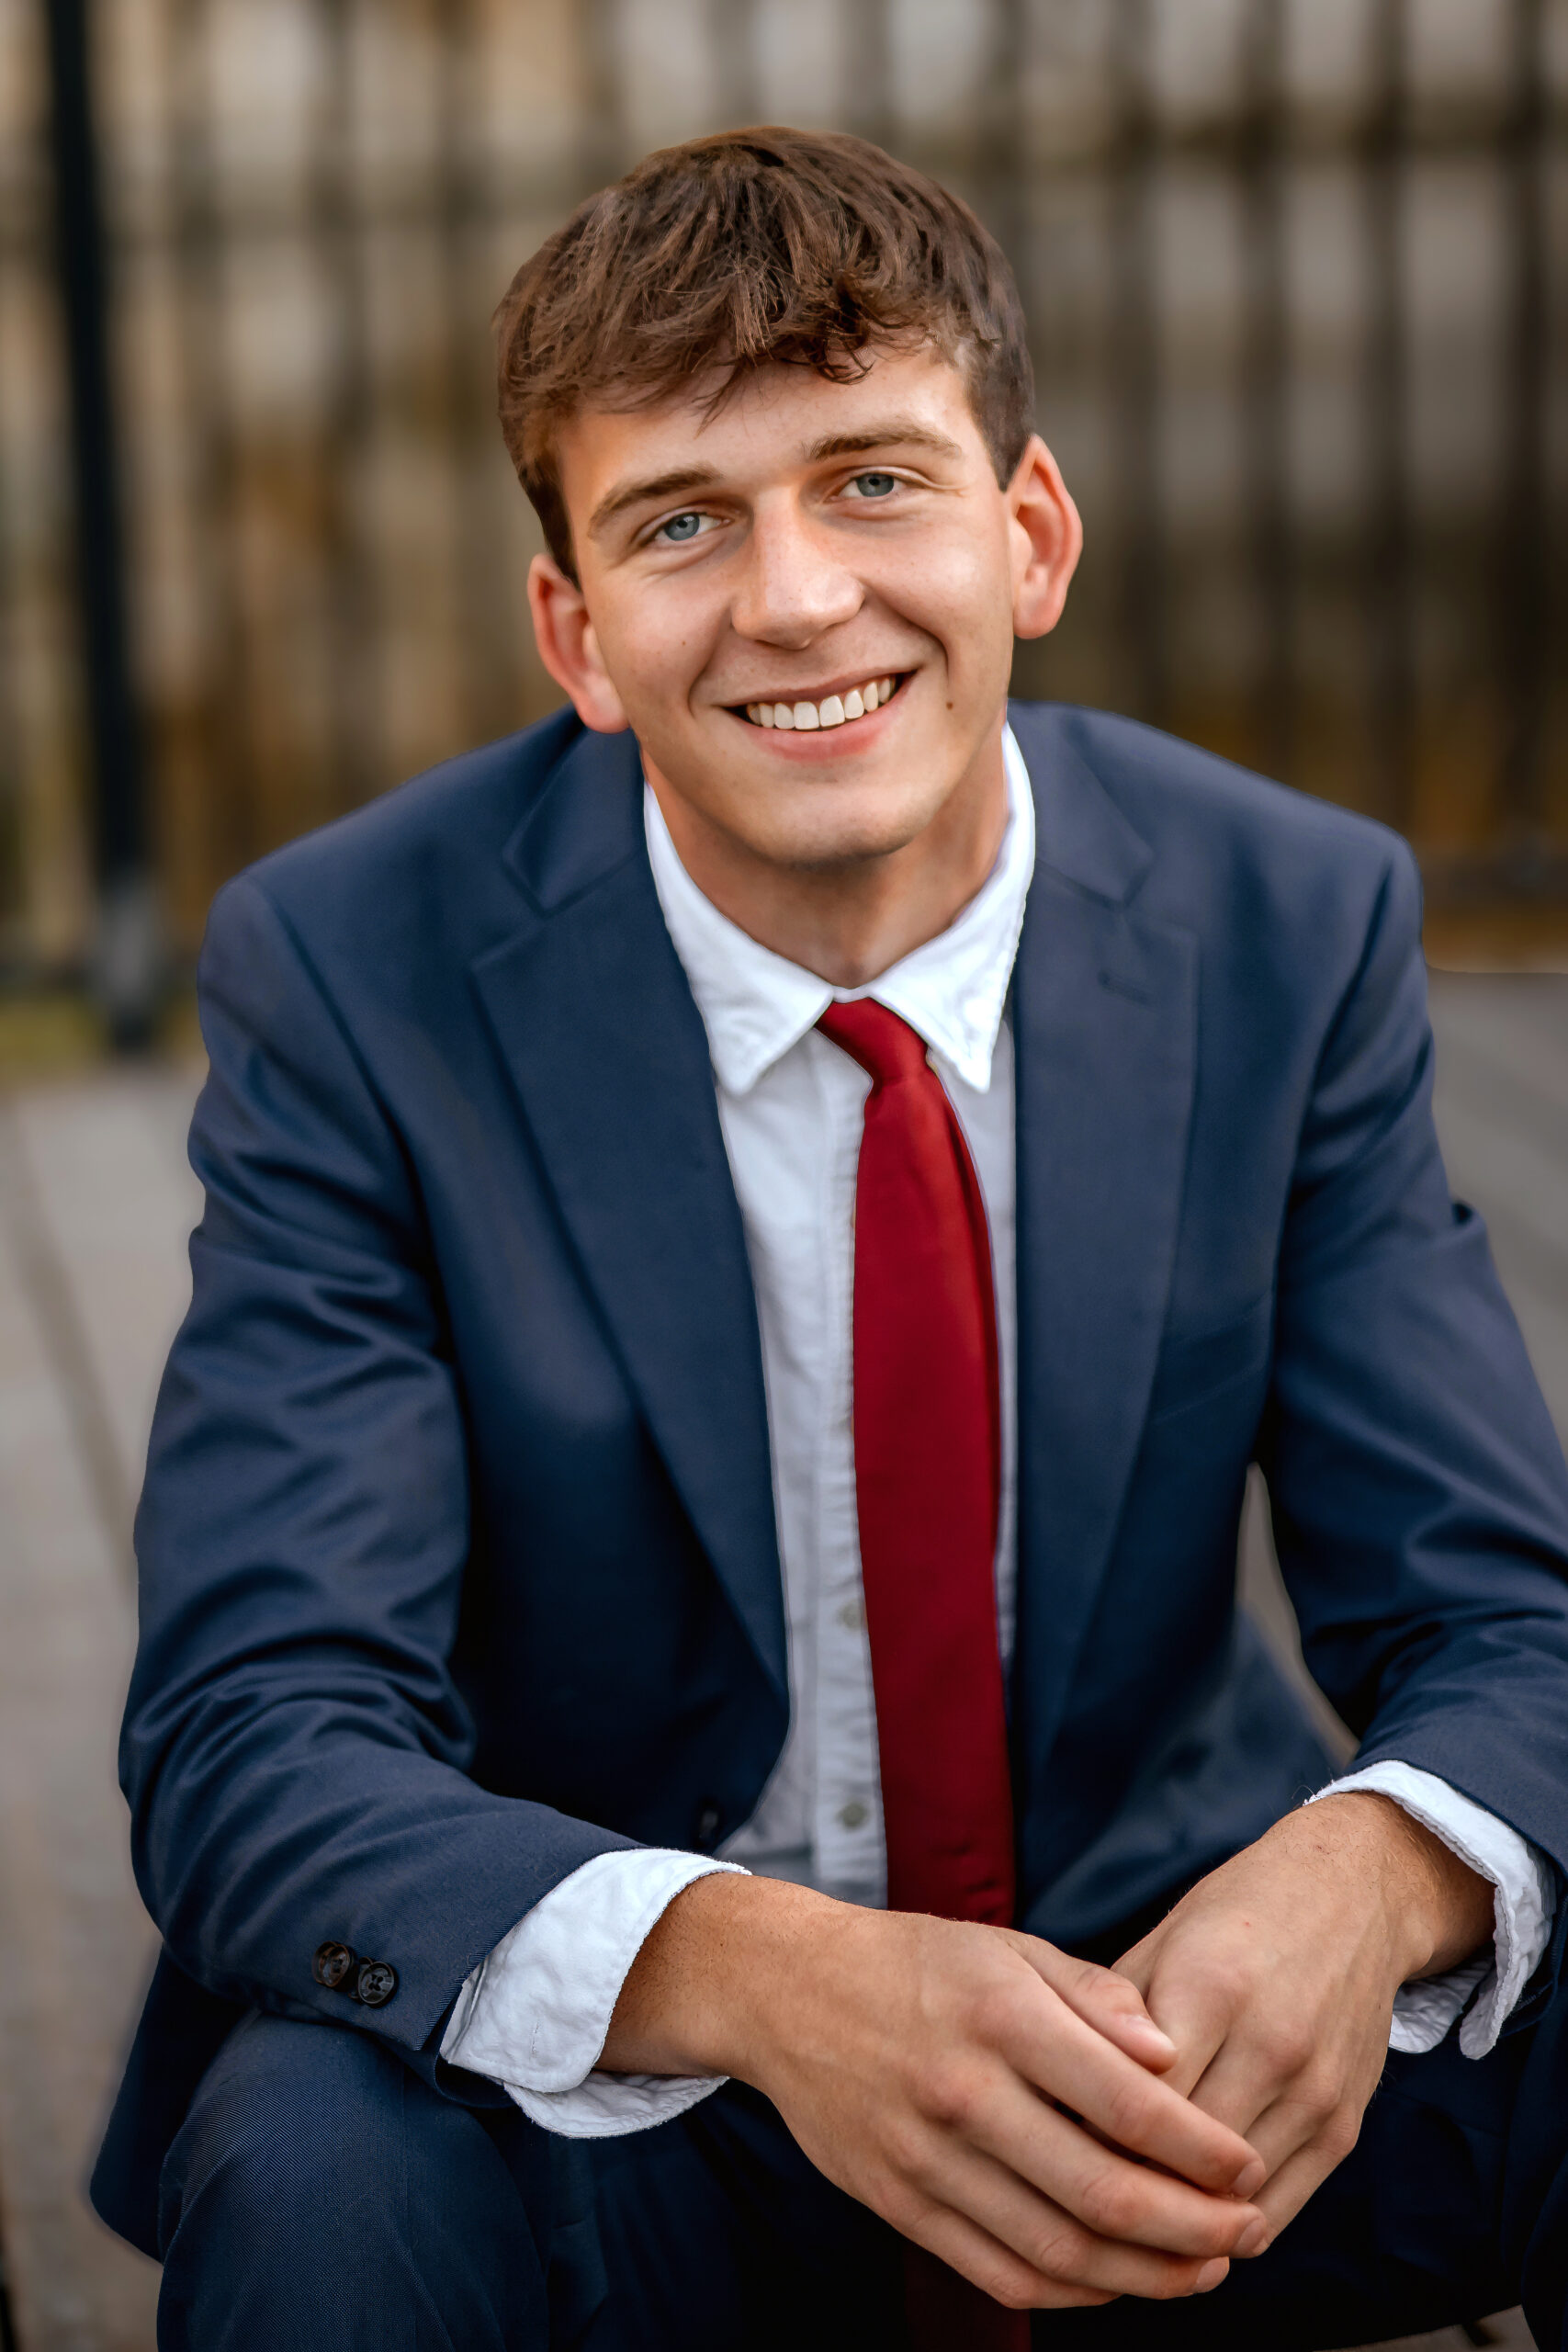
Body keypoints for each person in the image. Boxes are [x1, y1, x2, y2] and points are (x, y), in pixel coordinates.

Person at [92, 129, 1568, 2352]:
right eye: (682, 521)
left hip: (1162, 2047)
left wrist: (1365, 1876)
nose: (792, 596)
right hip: (641, 2070)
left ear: (1028, 531)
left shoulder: (1288, 919)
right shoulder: (350, 975)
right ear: (577, 635)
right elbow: (253, 1734)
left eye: (871, 477)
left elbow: (1505, 1613)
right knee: (314, 2161)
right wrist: (782, 1981)